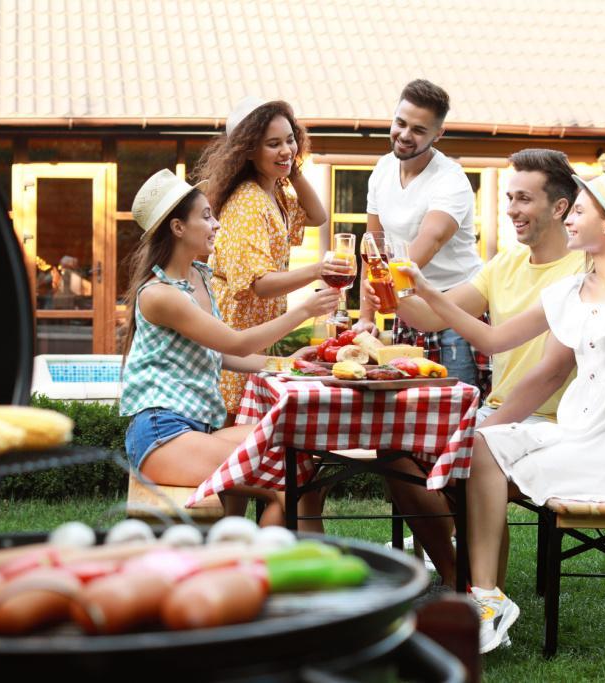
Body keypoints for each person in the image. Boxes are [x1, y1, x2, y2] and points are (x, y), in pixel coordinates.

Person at [401, 167, 605, 653]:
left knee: (481, 462)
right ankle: (488, 597)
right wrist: (426, 292)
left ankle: (478, 593)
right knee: (481, 445)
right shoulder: (570, 292)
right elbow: (497, 340)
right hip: (571, 434)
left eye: (579, 211)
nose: (569, 219)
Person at [367, 149, 586, 590]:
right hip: (498, 414)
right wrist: (389, 293)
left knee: (472, 464)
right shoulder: (505, 263)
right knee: (394, 455)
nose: (511, 210)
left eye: (524, 199)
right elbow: (433, 318)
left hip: (553, 424)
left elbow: (550, 372)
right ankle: (456, 576)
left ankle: (483, 595)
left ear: (559, 207)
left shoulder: (585, 270)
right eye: (509, 198)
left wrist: (478, 431)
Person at [119, 169, 340, 530]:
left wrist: (287, 364)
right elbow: (235, 341)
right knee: (290, 481)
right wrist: (305, 311)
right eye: (206, 216)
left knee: (298, 463)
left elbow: (221, 355)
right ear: (177, 228)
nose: (217, 224)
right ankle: (281, 576)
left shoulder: (198, 278)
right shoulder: (160, 295)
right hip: (161, 436)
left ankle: (270, 570)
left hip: (191, 430)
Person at [194, 97, 341, 417]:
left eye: (290, 140)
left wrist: (293, 169)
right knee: (231, 428)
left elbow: (317, 216)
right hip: (236, 330)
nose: (286, 149)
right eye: (273, 144)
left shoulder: (274, 193)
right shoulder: (248, 201)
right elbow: (260, 284)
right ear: (248, 150)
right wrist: (319, 270)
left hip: (256, 334)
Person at [354, 79, 485, 388]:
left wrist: (384, 291)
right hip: (408, 306)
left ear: (438, 135)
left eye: (418, 130)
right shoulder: (382, 170)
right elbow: (373, 248)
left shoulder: (450, 180)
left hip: (455, 308)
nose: (404, 135)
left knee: (454, 409)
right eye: (400, 123)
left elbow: (431, 241)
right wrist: (366, 318)